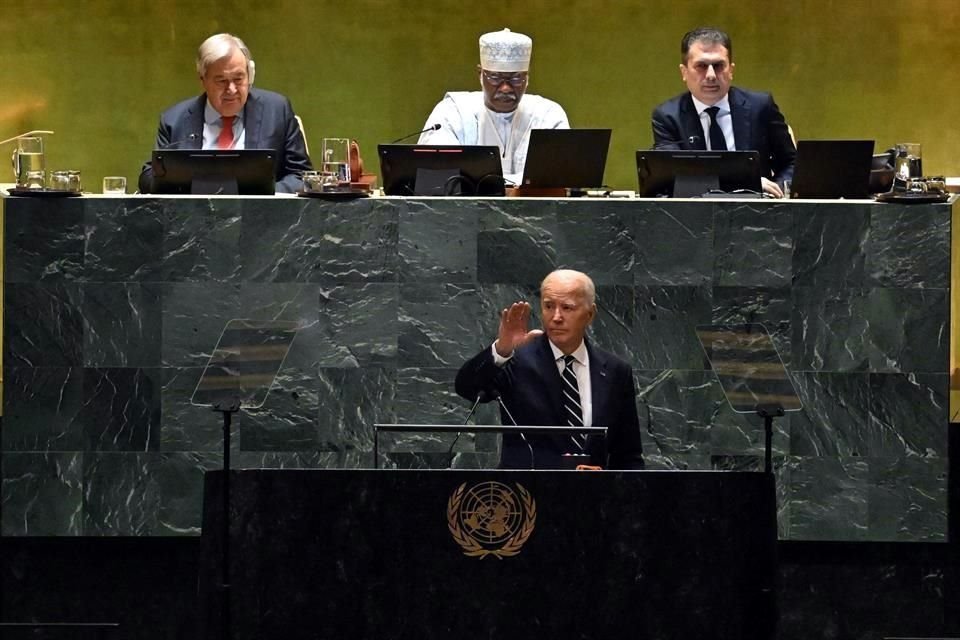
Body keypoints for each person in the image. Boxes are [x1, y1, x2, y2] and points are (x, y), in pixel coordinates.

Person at [455, 269, 644, 470]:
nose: (556, 317)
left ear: (590, 314)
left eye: (567, 308)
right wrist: (502, 349)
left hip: (593, 497)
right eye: (548, 306)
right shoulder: (517, 360)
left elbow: (628, 455)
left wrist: (606, 479)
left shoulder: (616, 371)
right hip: (526, 495)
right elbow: (467, 387)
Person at [138, 33, 312, 194]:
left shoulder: (277, 110)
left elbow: (301, 176)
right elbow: (148, 177)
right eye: (221, 81)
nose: (232, 89)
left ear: (249, 76)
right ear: (202, 80)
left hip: (261, 220)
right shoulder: (174, 120)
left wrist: (262, 196)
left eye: (238, 79)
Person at [651, 27, 796, 198]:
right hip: (695, 215)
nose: (711, 75)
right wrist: (748, 184)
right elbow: (673, 179)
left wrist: (776, 192)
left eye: (718, 66)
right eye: (701, 66)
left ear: (731, 70)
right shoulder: (668, 117)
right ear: (684, 72)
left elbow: (792, 163)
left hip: (760, 213)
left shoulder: (760, 106)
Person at [418, 28, 569, 185]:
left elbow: (559, 173)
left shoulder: (548, 115)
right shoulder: (452, 112)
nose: (506, 88)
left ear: (527, 77)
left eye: (516, 78)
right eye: (495, 77)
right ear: (480, 74)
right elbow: (437, 173)